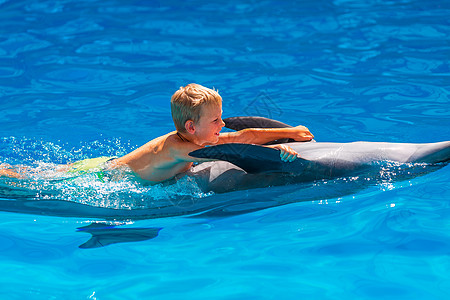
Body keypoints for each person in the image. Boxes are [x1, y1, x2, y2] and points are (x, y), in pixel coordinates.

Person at [0, 84, 314, 183]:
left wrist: (292, 132)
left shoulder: (191, 137)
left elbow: (238, 136)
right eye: (216, 120)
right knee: (23, 180)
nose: (223, 125)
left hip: (104, 164)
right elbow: (237, 143)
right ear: (192, 128)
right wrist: (280, 149)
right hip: (100, 176)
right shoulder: (180, 148)